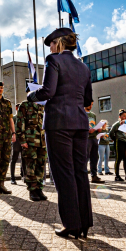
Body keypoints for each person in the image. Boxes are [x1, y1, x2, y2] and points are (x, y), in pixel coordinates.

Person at [27, 28, 93, 239]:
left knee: (64, 174)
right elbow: (87, 100)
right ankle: (84, 223)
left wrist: (31, 94)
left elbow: (48, 91)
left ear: (59, 43)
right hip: (80, 123)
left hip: (58, 123)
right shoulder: (83, 67)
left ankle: (71, 224)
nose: (51, 48)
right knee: (80, 172)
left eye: (52, 44)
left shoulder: (53, 60)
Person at [15, 99, 47, 202]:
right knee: (30, 165)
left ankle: (39, 188)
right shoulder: (25, 105)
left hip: (43, 141)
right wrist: (22, 139)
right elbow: (20, 122)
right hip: (30, 141)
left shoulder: (43, 105)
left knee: (41, 165)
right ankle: (32, 189)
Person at [110, 110, 126, 182]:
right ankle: (117, 176)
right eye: (123, 116)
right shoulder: (117, 124)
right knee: (118, 159)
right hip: (119, 142)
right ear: (120, 117)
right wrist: (115, 139)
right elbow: (111, 132)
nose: (125, 117)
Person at [9, 104, 26, 184]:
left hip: (23, 141)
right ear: (16, 108)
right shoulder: (14, 118)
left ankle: (23, 175)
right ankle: (12, 178)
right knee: (14, 159)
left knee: (24, 159)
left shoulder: (25, 118)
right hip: (16, 141)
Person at [85, 105, 102, 183]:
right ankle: (83, 176)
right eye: (89, 104)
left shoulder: (93, 115)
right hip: (86, 138)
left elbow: (94, 125)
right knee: (85, 158)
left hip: (94, 138)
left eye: (92, 104)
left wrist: (98, 129)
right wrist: (87, 130)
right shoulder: (82, 113)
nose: (91, 106)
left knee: (94, 158)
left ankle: (94, 176)